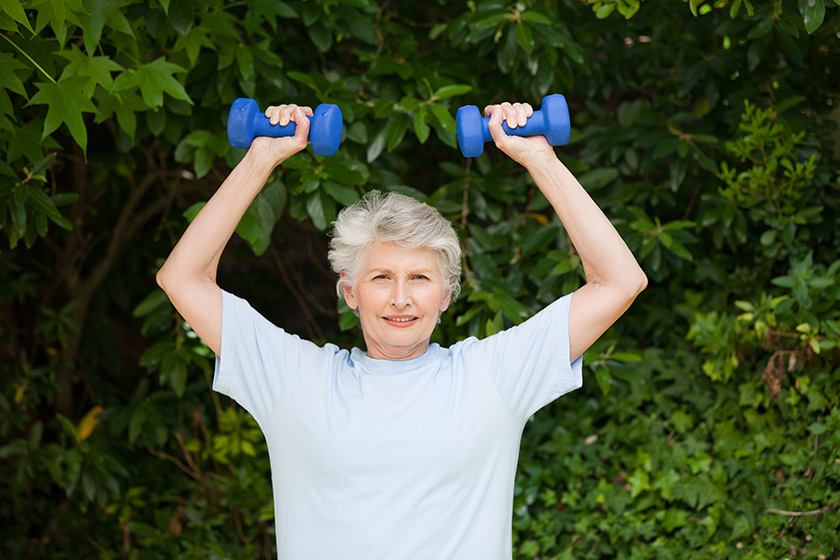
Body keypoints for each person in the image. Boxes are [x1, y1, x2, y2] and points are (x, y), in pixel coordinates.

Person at [156, 100, 647, 559]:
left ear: (447, 292)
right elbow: (182, 279)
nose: (400, 298)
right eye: (381, 277)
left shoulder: (492, 377)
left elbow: (619, 282)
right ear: (350, 291)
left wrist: (539, 157)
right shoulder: (294, 380)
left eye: (419, 278)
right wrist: (261, 158)